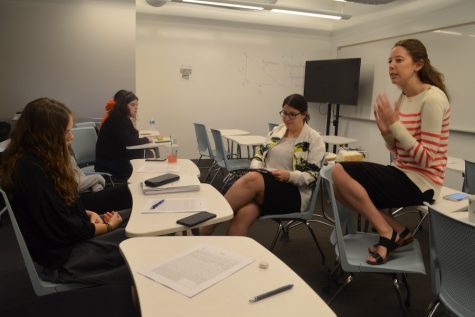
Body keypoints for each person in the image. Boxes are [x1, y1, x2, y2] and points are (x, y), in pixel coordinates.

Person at [331, 39, 451, 265]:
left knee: (338, 171)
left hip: (423, 182)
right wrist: (386, 131)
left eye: (399, 60)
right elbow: (396, 149)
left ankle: (388, 233)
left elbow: (426, 160)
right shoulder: (404, 98)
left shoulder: (433, 98)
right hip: (402, 172)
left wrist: (395, 125)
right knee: (337, 186)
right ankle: (397, 230)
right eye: (389, 61)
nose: (391, 66)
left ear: (418, 64)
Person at [0, 97, 132, 285]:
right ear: (47, 135)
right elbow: (64, 228)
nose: (72, 137)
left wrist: (89, 214)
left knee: (133, 217)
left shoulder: (36, 162)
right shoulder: (31, 171)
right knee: (141, 233)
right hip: (65, 261)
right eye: (67, 131)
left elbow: (58, 212)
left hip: (70, 244)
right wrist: (107, 226)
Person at [203, 94, 325, 236]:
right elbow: (259, 155)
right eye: (284, 113)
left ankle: (207, 225)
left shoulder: (313, 139)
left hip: (294, 194)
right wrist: (257, 168)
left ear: (304, 114)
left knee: (252, 178)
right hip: (266, 186)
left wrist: (289, 176)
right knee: (243, 214)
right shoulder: (277, 131)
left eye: (292, 115)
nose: (286, 118)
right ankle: (229, 255)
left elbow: (312, 176)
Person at [95, 91, 153, 181]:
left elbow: (134, 136)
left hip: (116, 159)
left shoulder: (123, 118)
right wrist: (146, 139)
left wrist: (133, 121)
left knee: (144, 153)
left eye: (137, 105)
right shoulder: (116, 119)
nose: (136, 108)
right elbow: (130, 142)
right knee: (142, 157)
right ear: (123, 106)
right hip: (108, 164)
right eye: (132, 105)